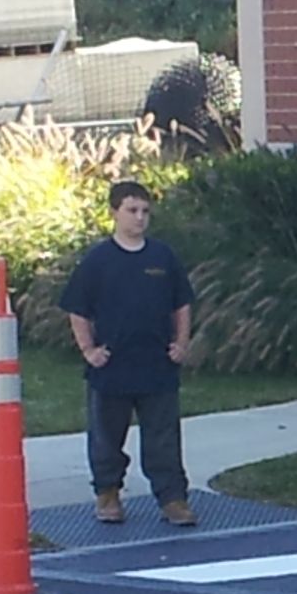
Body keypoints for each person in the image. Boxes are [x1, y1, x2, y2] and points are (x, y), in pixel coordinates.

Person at [59, 180, 197, 526]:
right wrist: (88, 349)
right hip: (112, 369)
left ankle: (173, 500)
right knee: (106, 437)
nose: (139, 218)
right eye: (132, 210)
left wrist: (182, 343)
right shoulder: (97, 260)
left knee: (163, 439)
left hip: (157, 367)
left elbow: (182, 304)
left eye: (145, 211)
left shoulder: (162, 257)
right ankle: (107, 495)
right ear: (114, 213)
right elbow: (77, 309)